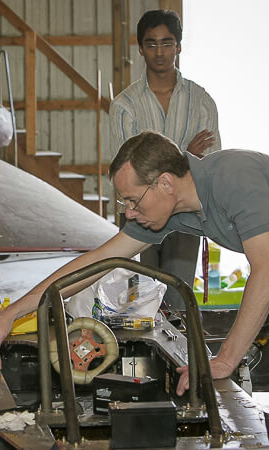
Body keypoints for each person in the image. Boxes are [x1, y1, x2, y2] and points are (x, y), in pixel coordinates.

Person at [0, 130, 269, 395]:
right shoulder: (174, 212)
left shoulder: (232, 177)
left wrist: (224, 360)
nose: (129, 212)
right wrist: (13, 313)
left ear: (164, 182)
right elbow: (96, 261)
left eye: (131, 200)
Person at [109, 10, 221, 309]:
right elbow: (127, 171)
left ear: (179, 47)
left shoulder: (202, 101)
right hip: (139, 211)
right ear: (141, 48)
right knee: (139, 299)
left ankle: (182, 353)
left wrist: (166, 164)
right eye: (152, 44)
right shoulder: (124, 105)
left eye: (167, 43)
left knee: (179, 296)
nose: (160, 52)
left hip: (186, 213)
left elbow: (210, 164)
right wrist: (187, 155)